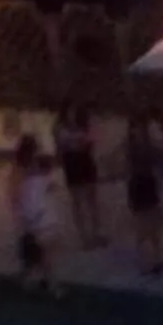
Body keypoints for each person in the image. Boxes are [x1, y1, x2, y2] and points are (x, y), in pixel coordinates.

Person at [10, 132, 61, 294]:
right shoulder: (24, 170)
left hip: (37, 213)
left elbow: (16, 195)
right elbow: (16, 194)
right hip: (37, 214)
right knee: (41, 250)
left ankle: (31, 279)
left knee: (37, 249)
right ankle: (51, 284)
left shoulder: (33, 169)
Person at [54, 98, 105, 248]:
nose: (73, 114)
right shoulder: (60, 128)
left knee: (92, 200)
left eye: (75, 111)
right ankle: (84, 237)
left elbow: (91, 141)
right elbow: (61, 148)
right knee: (77, 201)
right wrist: (77, 143)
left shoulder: (85, 124)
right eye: (70, 111)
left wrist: (78, 142)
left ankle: (97, 233)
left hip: (85, 160)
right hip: (72, 163)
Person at [122, 107, 163, 273]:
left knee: (149, 224)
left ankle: (152, 259)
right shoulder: (139, 145)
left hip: (142, 182)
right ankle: (150, 260)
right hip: (142, 182)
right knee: (146, 224)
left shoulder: (136, 144)